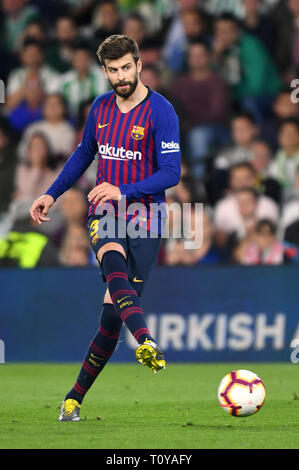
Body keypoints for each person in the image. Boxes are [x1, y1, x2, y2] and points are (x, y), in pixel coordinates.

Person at [29, 34, 181, 422]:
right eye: (113, 70)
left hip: (147, 218)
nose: (120, 76)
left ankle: (73, 400)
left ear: (139, 64)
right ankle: (145, 338)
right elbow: (83, 155)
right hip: (107, 211)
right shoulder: (100, 107)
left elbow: (171, 173)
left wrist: (123, 189)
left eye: (126, 67)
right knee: (111, 260)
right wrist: (51, 194)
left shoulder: (161, 111)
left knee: (112, 318)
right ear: (105, 71)